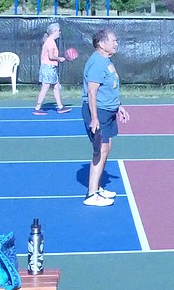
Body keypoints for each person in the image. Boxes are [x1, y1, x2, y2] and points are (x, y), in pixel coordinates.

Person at [81, 28, 129, 207]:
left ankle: (97, 187)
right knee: (100, 149)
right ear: (101, 44)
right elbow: (92, 93)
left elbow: (109, 87)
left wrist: (119, 106)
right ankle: (91, 194)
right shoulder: (97, 63)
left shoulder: (106, 61)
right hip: (98, 112)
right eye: (113, 41)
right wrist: (95, 118)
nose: (116, 43)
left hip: (108, 111)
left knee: (106, 148)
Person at [34, 22, 71, 115]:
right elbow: (51, 56)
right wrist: (60, 59)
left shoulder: (50, 41)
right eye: (58, 31)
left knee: (56, 86)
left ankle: (60, 107)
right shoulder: (50, 42)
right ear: (54, 31)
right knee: (45, 87)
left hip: (50, 68)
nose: (59, 32)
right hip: (48, 67)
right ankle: (37, 108)